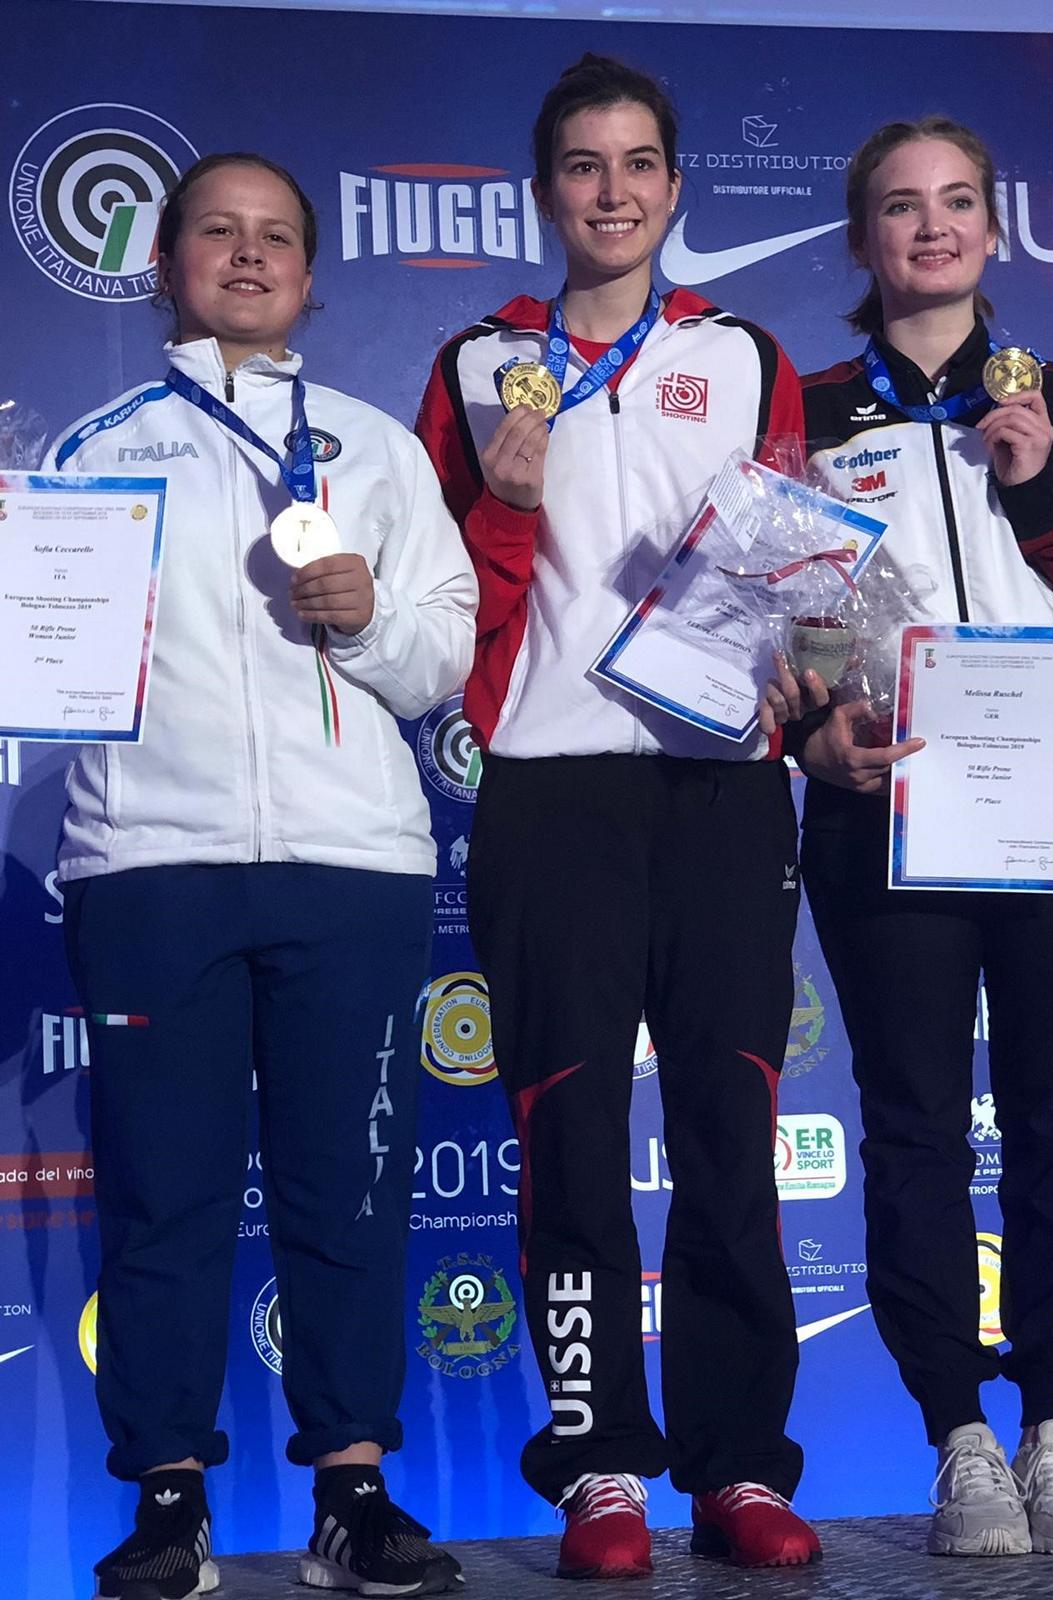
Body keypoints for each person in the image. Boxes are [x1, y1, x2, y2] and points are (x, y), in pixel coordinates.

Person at [45, 152, 477, 1600]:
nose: (246, 256)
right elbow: (32, 683)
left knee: (350, 1190)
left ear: (309, 271)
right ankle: (169, 1498)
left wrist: (364, 619)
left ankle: (352, 1491)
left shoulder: (376, 448)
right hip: (151, 869)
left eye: (275, 236)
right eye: (217, 233)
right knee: (161, 1195)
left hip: (349, 867)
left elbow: (442, 661)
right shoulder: (90, 448)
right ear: (167, 261)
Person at [416, 53, 820, 1581]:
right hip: (549, 780)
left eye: (638, 163)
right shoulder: (475, 363)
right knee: (571, 1130)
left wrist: (811, 682)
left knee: (730, 1122)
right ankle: (599, 1470)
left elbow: (798, 564)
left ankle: (738, 1470)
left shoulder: (744, 354)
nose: (613, 189)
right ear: (547, 191)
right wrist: (501, 498)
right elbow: (442, 596)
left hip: (723, 784)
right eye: (583, 164)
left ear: (673, 188)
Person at [786, 117, 1053, 1558]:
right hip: (891, 794)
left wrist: (1037, 490)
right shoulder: (810, 407)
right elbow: (780, 620)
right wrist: (812, 732)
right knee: (914, 1131)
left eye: (956, 205)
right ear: (864, 239)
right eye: (899, 206)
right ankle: (958, 1438)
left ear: (994, 233)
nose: (930, 229)